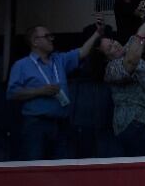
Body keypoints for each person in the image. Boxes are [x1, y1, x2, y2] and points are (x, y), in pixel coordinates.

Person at [7, 20, 105, 160]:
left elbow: (82, 52)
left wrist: (97, 34)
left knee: (60, 166)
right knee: (35, 165)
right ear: (35, 41)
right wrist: (40, 91)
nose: (51, 39)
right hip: (36, 124)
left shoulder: (59, 59)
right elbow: (11, 93)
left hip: (61, 123)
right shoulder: (22, 65)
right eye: (47, 36)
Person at [98, 18, 145, 155]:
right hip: (135, 125)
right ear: (106, 58)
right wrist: (141, 32)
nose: (115, 45)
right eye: (109, 48)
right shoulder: (111, 68)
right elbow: (131, 61)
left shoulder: (128, 48)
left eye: (112, 41)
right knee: (144, 171)